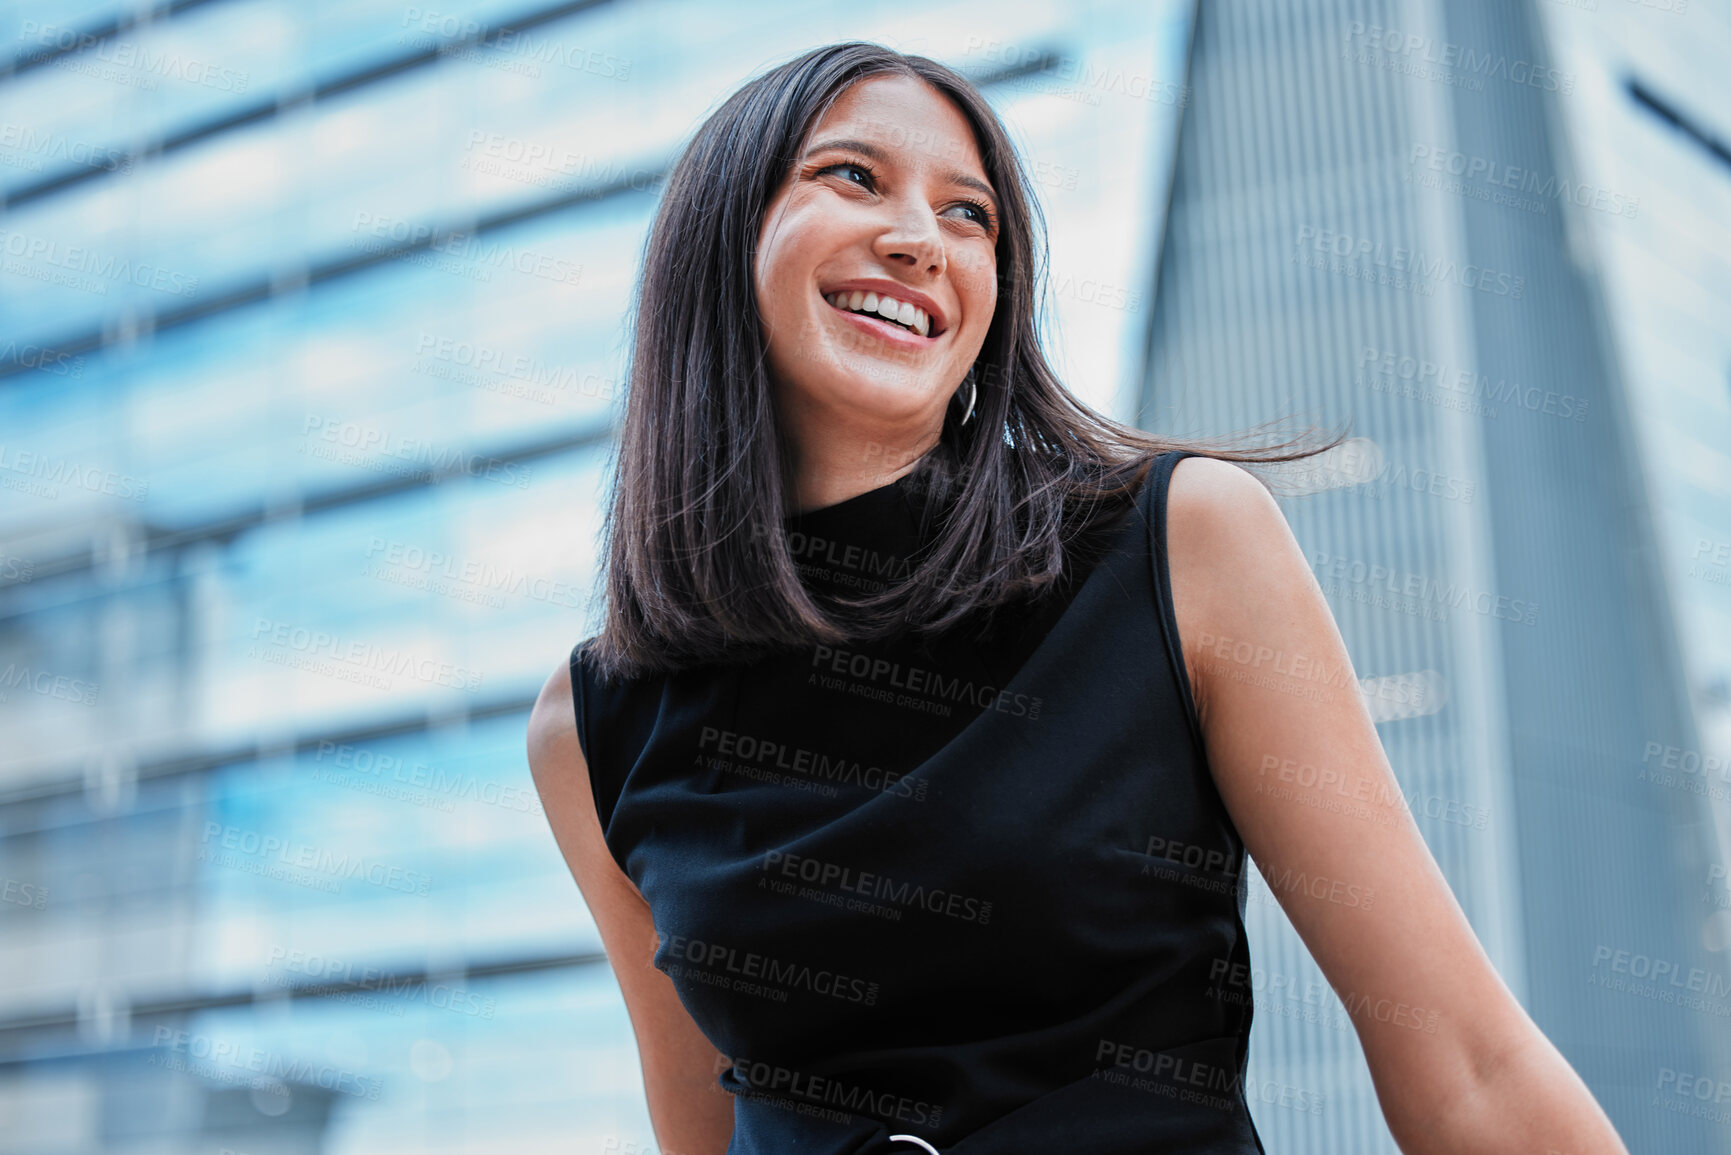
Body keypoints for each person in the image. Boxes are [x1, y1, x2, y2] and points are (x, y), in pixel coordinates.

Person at [526, 41, 1628, 1155]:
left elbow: (1469, 1066)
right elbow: (704, 1137)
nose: (919, 240)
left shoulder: (1177, 542)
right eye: (851, 177)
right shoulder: (592, 726)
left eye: (971, 217)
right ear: (719, 242)